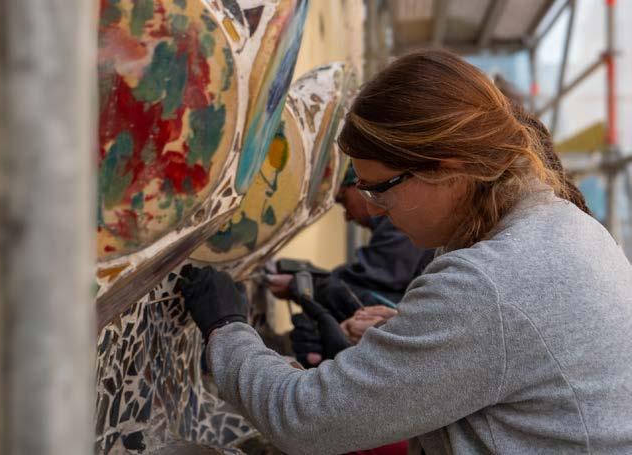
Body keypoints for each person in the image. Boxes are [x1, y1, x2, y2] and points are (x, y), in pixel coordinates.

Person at [180, 49, 632, 454]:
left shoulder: (487, 284)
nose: (375, 210)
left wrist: (227, 328)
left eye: (379, 189)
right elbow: (510, 343)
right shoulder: (565, 227)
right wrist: (404, 333)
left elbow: (303, 420)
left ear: (446, 168)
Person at [268, 166, 434, 368]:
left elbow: (369, 282)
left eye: (343, 200)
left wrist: (306, 285)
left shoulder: (406, 221)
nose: (347, 216)